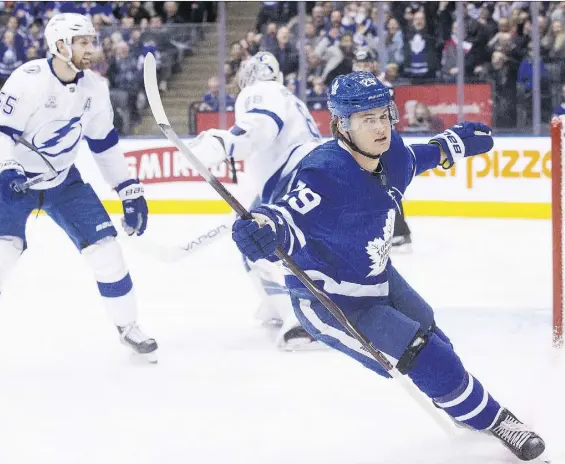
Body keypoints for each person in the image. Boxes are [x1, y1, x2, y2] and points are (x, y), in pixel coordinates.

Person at [230, 71, 546, 462]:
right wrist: (263, 229)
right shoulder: (323, 172)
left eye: (384, 115)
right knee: (426, 354)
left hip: (379, 275)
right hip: (333, 301)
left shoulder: (392, 151)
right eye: (367, 119)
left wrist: (453, 145)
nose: (380, 127)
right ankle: (497, 419)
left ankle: (459, 402)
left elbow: (416, 159)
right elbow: (287, 217)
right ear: (341, 125)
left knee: (431, 330)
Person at [0, 13, 157, 364]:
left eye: (93, 40)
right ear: (60, 45)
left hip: (62, 179)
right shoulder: (27, 80)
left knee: (107, 250)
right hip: (12, 180)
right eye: (84, 42)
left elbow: (104, 144)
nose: (93, 48)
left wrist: (127, 188)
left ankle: (128, 326)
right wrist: (6, 169)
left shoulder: (95, 87)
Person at [187, 51, 324, 351]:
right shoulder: (290, 97)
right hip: (309, 178)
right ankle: (279, 304)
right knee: (258, 238)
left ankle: (301, 319)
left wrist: (222, 143)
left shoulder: (260, 91)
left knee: (260, 246)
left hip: (296, 179)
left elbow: (261, 127)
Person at [352, 48, 412, 250]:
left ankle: (401, 232)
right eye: (359, 63)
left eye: (366, 63)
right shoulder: (356, 85)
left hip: (382, 142)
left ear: (374, 64)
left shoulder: (383, 86)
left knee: (387, 186)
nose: (363, 67)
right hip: (365, 143)